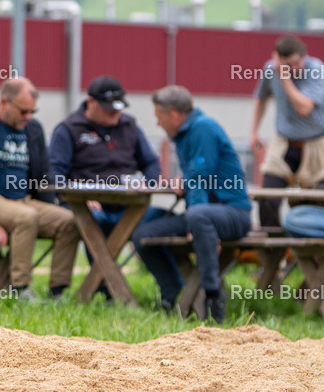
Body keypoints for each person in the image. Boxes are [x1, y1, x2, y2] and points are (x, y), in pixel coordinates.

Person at [0, 78, 80, 300]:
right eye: (23, 111)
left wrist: (58, 201)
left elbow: (43, 174)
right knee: (26, 218)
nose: (28, 117)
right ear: (4, 101)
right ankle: (19, 289)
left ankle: (57, 290)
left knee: (69, 221)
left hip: (24, 198)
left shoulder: (33, 128)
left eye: (32, 111)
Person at [132, 85, 251, 323]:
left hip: (233, 213)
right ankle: (172, 294)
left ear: (174, 114)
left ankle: (213, 297)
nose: (158, 124)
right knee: (143, 232)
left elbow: (200, 178)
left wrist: (195, 222)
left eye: (159, 117)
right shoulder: (185, 134)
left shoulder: (202, 129)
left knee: (198, 217)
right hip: (206, 213)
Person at [49, 75, 162, 235]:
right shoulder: (68, 129)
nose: (115, 113)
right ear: (90, 102)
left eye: (118, 108)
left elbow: (151, 162)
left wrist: (146, 185)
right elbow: (55, 172)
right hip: (88, 207)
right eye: (108, 108)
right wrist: (78, 199)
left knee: (164, 219)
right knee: (94, 221)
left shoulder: (129, 126)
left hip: (129, 206)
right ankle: (102, 261)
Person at [250, 35, 324, 228]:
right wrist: (254, 131)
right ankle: (273, 252)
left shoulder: (316, 70)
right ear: (278, 59)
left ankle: (311, 254)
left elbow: (304, 107)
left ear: (304, 55)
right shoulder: (270, 69)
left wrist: (283, 77)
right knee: (267, 198)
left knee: (316, 202)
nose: (293, 68)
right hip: (283, 143)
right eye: (287, 64)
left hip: (316, 146)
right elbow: (261, 97)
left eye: (296, 63)